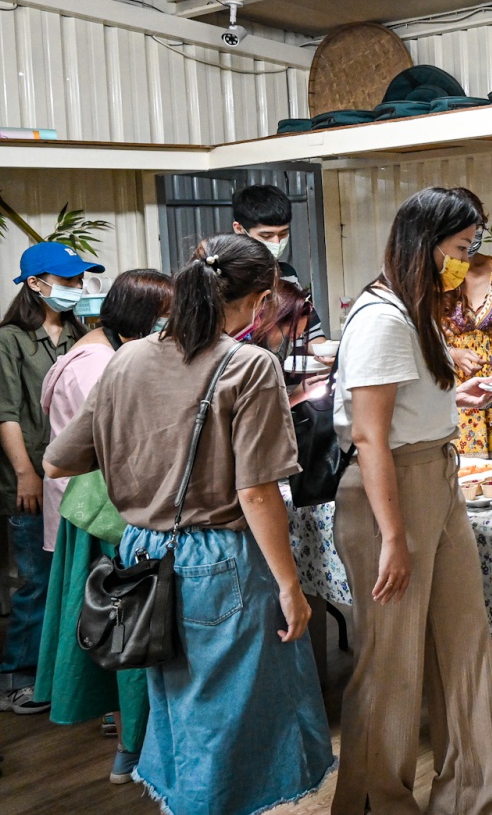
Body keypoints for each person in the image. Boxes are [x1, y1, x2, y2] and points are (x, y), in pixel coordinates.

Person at [42, 235, 333, 815]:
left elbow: (60, 460)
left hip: (142, 554)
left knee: (175, 709)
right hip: (219, 558)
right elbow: (255, 492)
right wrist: (291, 587)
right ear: (258, 302)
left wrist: (144, 451)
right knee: (226, 719)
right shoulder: (248, 365)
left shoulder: (126, 357)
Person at [332, 186, 492, 815]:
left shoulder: (412, 309)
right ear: (425, 243)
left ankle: (476, 791)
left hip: (438, 475)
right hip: (392, 490)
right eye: (460, 246)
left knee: (464, 641)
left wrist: (454, 402)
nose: (466, 259)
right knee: (390, 660)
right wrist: (393, 536)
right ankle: (377, 801)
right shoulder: (383, 317)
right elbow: (369, 436)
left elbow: (409, 405)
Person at [36, 268, 171, 785]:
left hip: (92, 505)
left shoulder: (95, 349)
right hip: (107, 511)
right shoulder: (104, 364)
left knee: (113, 624)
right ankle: (133, 748)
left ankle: (126, 734)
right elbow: (94, 445)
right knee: (130, 627)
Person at [0, 241, 100, 714]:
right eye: (66, 280)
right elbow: (7, 413)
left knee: (68, 580)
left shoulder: (81, 334)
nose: (75, 288)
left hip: (70, 480)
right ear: (35, 285)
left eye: (79, 280)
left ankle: (58, 674)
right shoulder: (11, 340)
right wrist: (25, 474)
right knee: (36, 582)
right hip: (30, 481)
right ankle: (16, 676)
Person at [443, 189, 492, 460]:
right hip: (451, 384)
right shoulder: (436, 274)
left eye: (478, 228)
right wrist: (452, 354)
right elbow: (417, 334)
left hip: (490, 382)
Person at [232, 183, 324, 340]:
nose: (276, 243)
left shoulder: (288, 275)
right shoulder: (228, 279)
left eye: (283, 234)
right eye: (267, 236)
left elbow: (312, 334)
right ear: (239, 229)